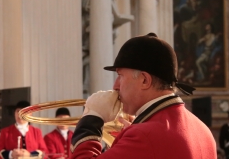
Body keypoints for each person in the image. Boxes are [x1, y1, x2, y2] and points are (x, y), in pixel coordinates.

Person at [69, 33, 216, 158]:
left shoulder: (144, 136)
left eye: (120, 76)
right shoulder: (203, 130)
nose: (115, 86)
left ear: (145, 80)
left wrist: (92, 117)